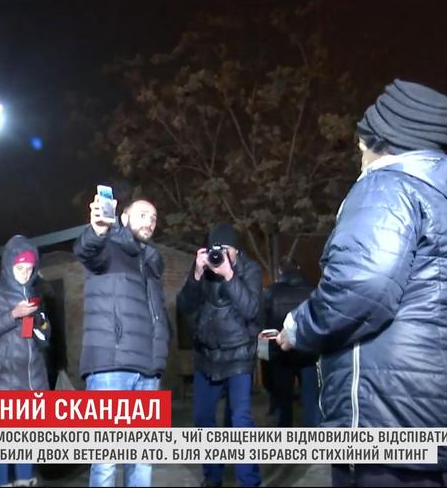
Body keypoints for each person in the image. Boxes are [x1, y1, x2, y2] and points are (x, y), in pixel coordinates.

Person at [276, 80, 447, 486]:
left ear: (381, 140)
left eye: (361, 143)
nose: (360, 154)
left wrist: (297, 329)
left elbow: (360, 289)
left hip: (401, 427)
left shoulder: (386, 186)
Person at [73, 196, 170, 488]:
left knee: (142, 458)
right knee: (107, 459)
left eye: (153, 218)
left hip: (148, 369)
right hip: (111, 367)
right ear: (124, 218)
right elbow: (86, 250)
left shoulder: (150, 263)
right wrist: (97, 229)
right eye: (142, 215)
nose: (149, 222)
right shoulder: (109, 248)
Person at [177, 222, 262, 488]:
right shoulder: (203, 269)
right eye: (217, 249)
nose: (221, 254)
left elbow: (251, 309)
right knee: (202, 418)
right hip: (206, 353)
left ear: (236, 250)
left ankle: (249, 482)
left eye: (227, 249)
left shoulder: (250, 269)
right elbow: (183, 305)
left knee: (240, 420)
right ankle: (212, 476)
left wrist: (228, 275)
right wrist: (196, 274)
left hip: (239, 354)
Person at [0, 235, 50, 487]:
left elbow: (44, 335)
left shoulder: (35, 293)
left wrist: (42, 328)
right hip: (3, 382)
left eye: (29, 268)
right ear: (8, 265)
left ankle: (24, 480)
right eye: (20, 268)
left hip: (32, 380)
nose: (25, 274)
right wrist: (12, 315)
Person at [261, 257, 320, 428]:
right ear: (298, 268)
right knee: (311, 402)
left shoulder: (270, 292)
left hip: (280, 356)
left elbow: (263, 329)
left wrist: (263, 356)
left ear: (280, 271)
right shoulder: (313, 291)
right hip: (308, 354)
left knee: (283, 403)